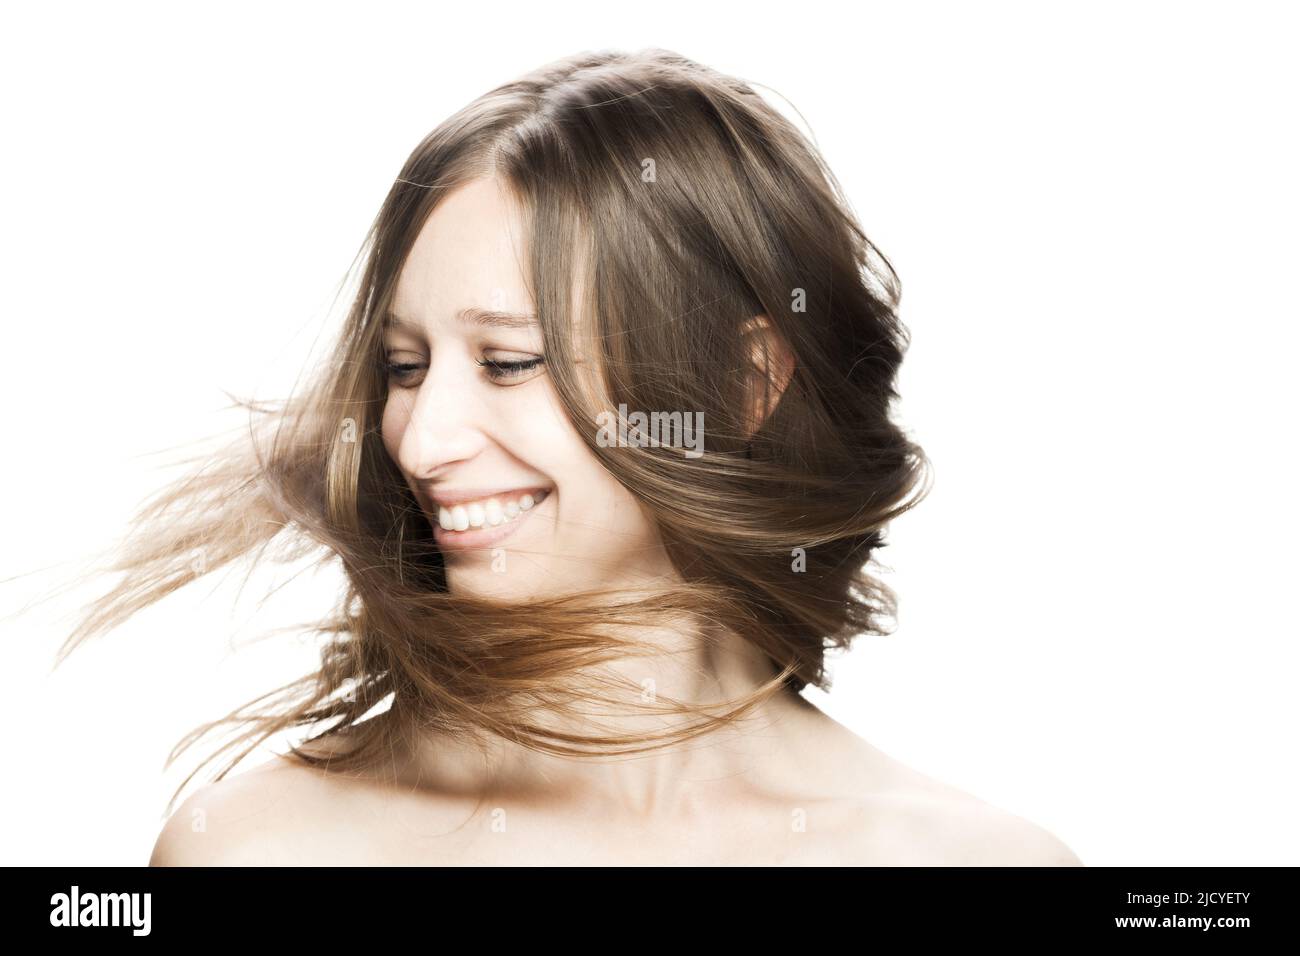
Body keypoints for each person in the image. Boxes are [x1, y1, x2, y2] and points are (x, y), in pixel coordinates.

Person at [64, 47, 1081, 865]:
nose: (422, 439)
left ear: (745, 384)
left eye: (508, 363)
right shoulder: (266, 849)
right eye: (405, 367)